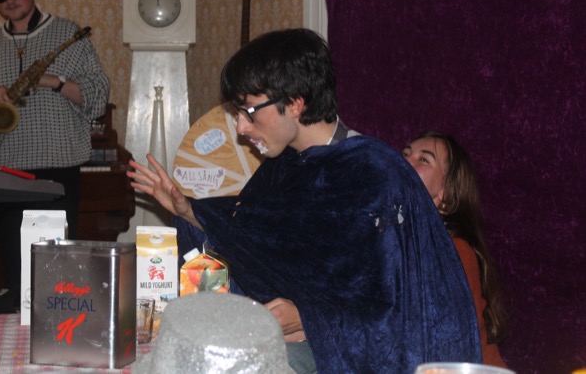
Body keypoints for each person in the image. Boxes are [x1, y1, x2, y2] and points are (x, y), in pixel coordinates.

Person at [128, 28, 481, 372]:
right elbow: (250, 241)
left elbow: (403, 311)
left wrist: (306, 317)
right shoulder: (281, 169)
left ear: (295, 104)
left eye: (250, 111)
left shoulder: (374, 175)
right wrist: (188, 210)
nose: (241, 128)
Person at [0, 0, 109, 310]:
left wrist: (52, 81)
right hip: (5, 172)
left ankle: (57, 335)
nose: (10, 0)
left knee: (57, 273)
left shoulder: (69, 35)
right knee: (15, 274)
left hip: (58, 168)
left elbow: (99, 97)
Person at [402, 131, 508, 368]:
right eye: (405, 154)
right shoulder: (386, 236)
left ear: (445, 193)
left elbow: (452, 343)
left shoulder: (454, 253)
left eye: (423, 159)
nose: (406, 161)